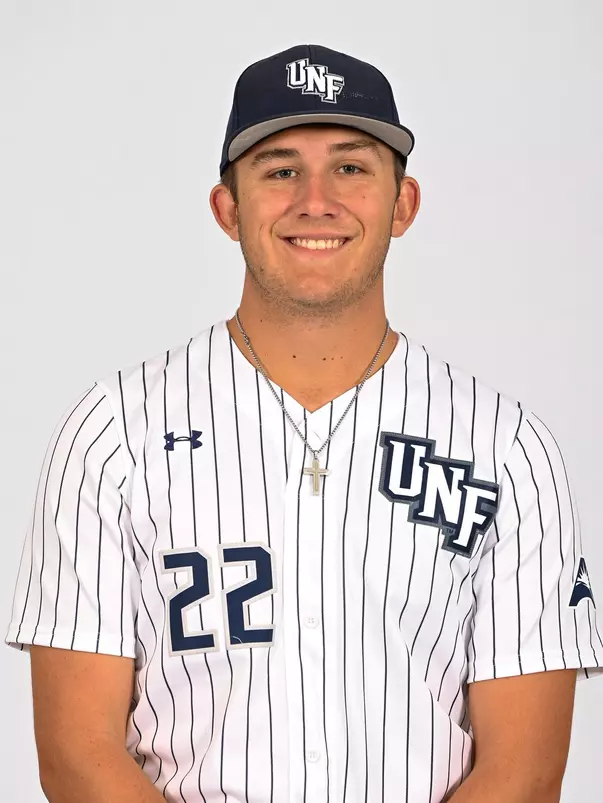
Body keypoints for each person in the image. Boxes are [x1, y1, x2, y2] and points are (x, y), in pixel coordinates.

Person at [5, 42, 602, 803]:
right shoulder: (112, 433)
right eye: (280, 169)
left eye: (351, 167)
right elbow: (76, 755)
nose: (314, 200)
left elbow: (521, 775)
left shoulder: (505, 448)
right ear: (228, 209)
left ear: (402, 203)